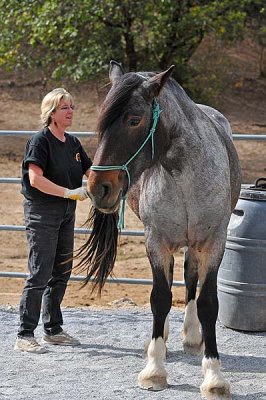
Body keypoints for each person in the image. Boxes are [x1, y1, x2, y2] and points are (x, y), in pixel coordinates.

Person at [14, 88, 92, 353]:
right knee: (40, 272)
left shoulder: (73, 144)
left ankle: (53, 328)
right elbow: (35, 179)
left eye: (72, 106)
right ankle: (24, 334)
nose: (70, 112)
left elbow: (90, 171)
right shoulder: (40, 141)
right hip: (42, 212)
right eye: (64, 108)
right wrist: (68, 192)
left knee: (62, 271)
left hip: (67, 213)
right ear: (51, 113)